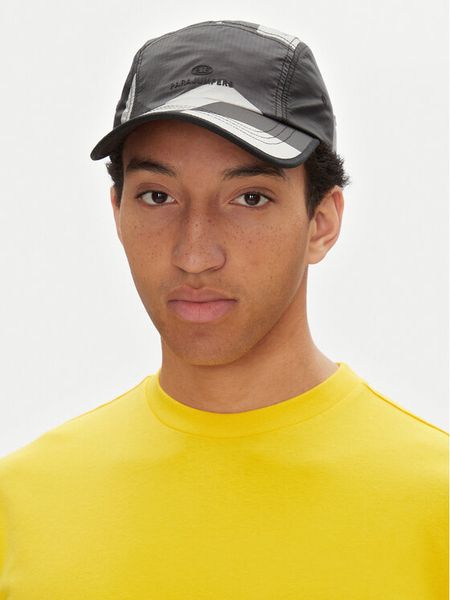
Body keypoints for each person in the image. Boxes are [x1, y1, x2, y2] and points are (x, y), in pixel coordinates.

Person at [0, 19, 448, 599]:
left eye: (249, 198)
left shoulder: (435, 505)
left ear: (321, 221)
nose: (194, 255)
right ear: (117, 213)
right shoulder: (21, 507)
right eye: (158, 196)